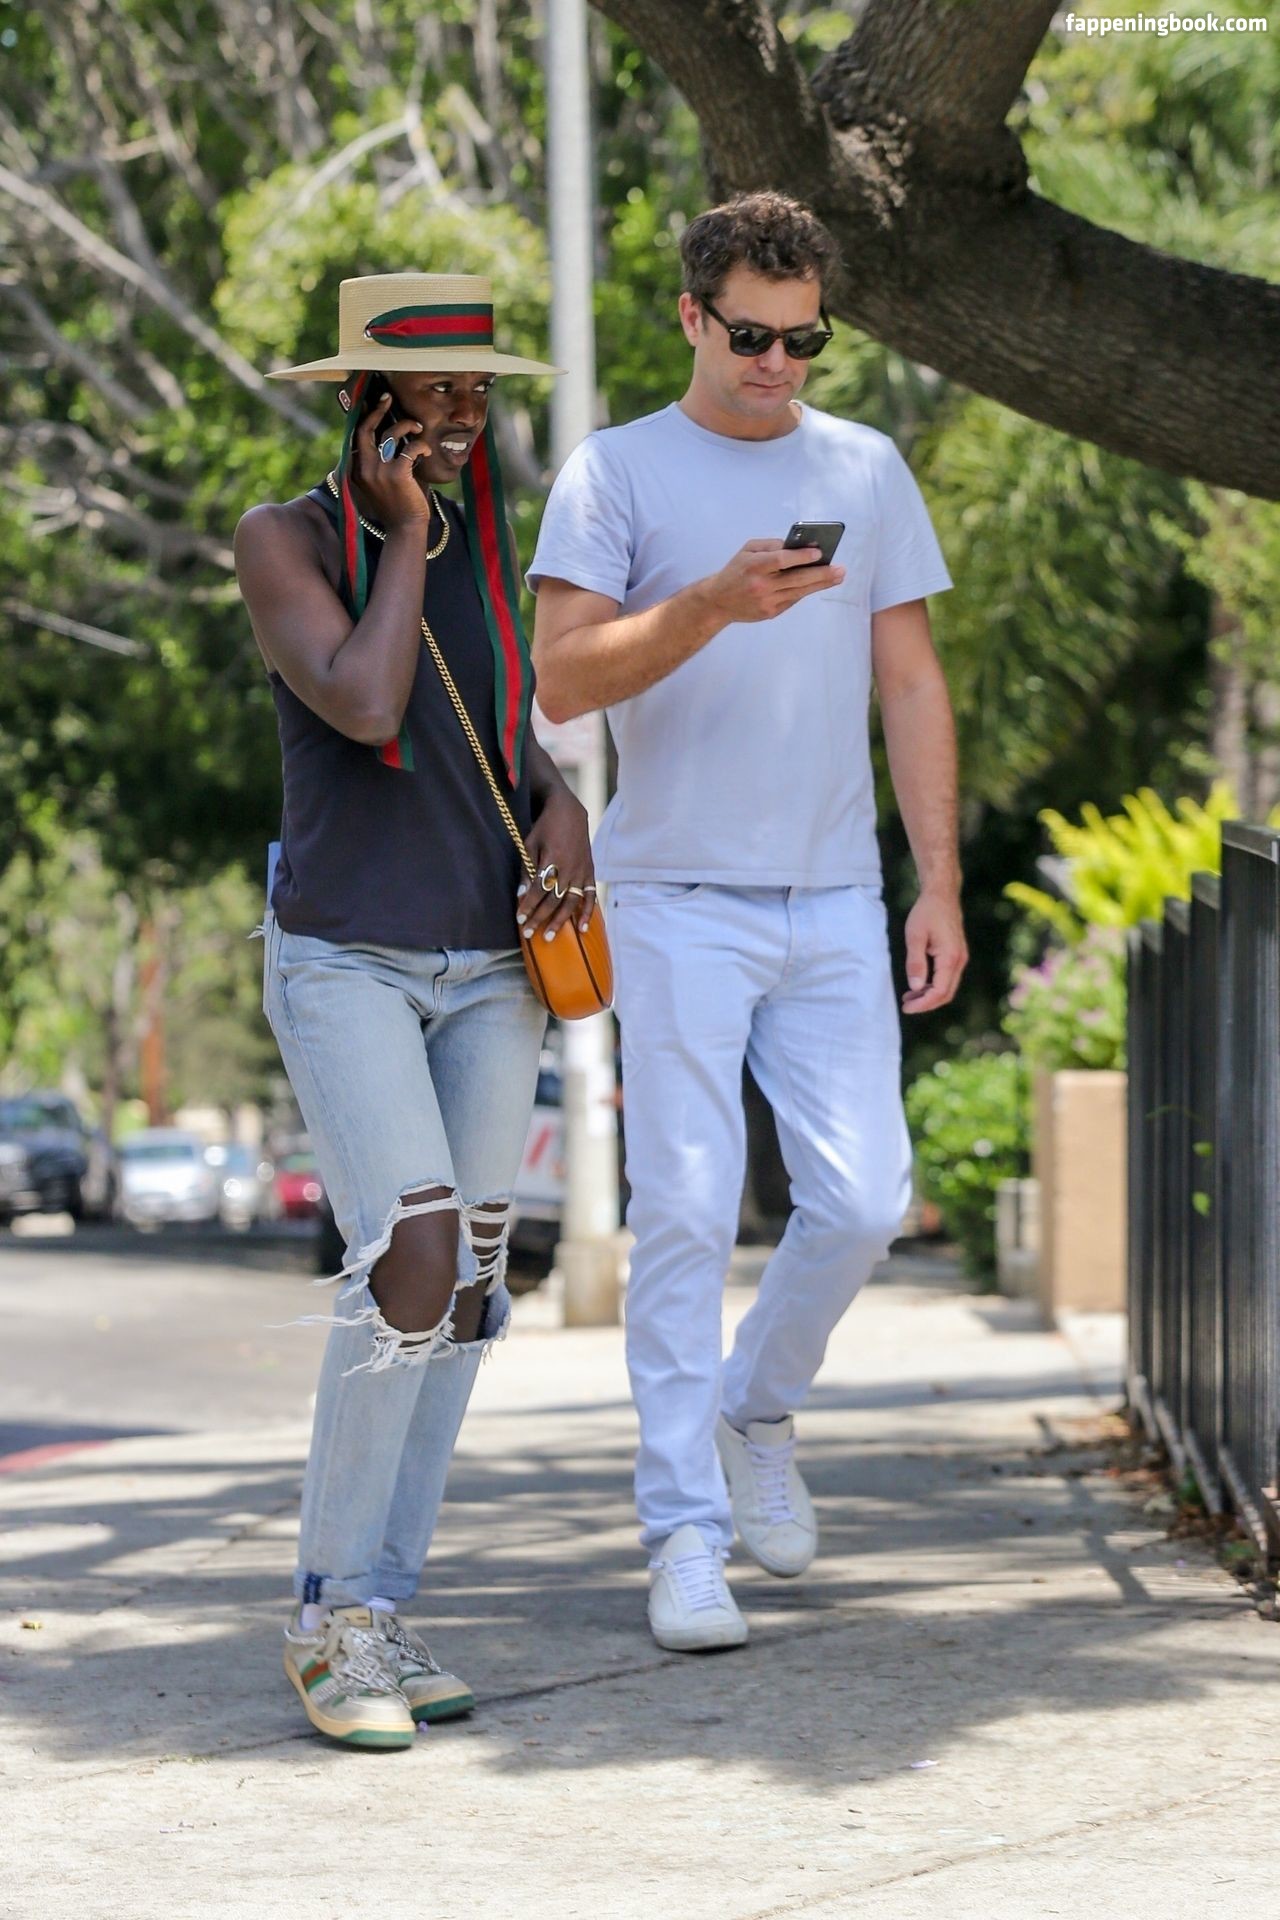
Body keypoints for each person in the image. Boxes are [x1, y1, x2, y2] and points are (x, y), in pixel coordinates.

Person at [529, 194, 967, 1653]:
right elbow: (564, 679)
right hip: (672, 898)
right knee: (685, 1211)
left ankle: (755, 1411)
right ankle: (683, 1537)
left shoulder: (866, 466)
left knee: (862, 1201)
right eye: (752, 336)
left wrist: (939, 882)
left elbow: (911, 683)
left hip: (835, 893)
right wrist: (711, 604)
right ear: (691, 318)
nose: (779, 363)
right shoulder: (615, 471)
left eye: (804, 340)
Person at [235, 272, 595, 1747]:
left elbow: (493, 737)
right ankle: (325, 1615)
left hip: (490, 966)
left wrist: (565, 811)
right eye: (434, 391)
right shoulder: (286, 540)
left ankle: (384, 1605)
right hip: (346, 960)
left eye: (476, 392)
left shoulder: (486, 549)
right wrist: (398, 536)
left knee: (467, 1293)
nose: (459, 417)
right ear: (362, 399)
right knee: (410, 1259)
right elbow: (370, 703)